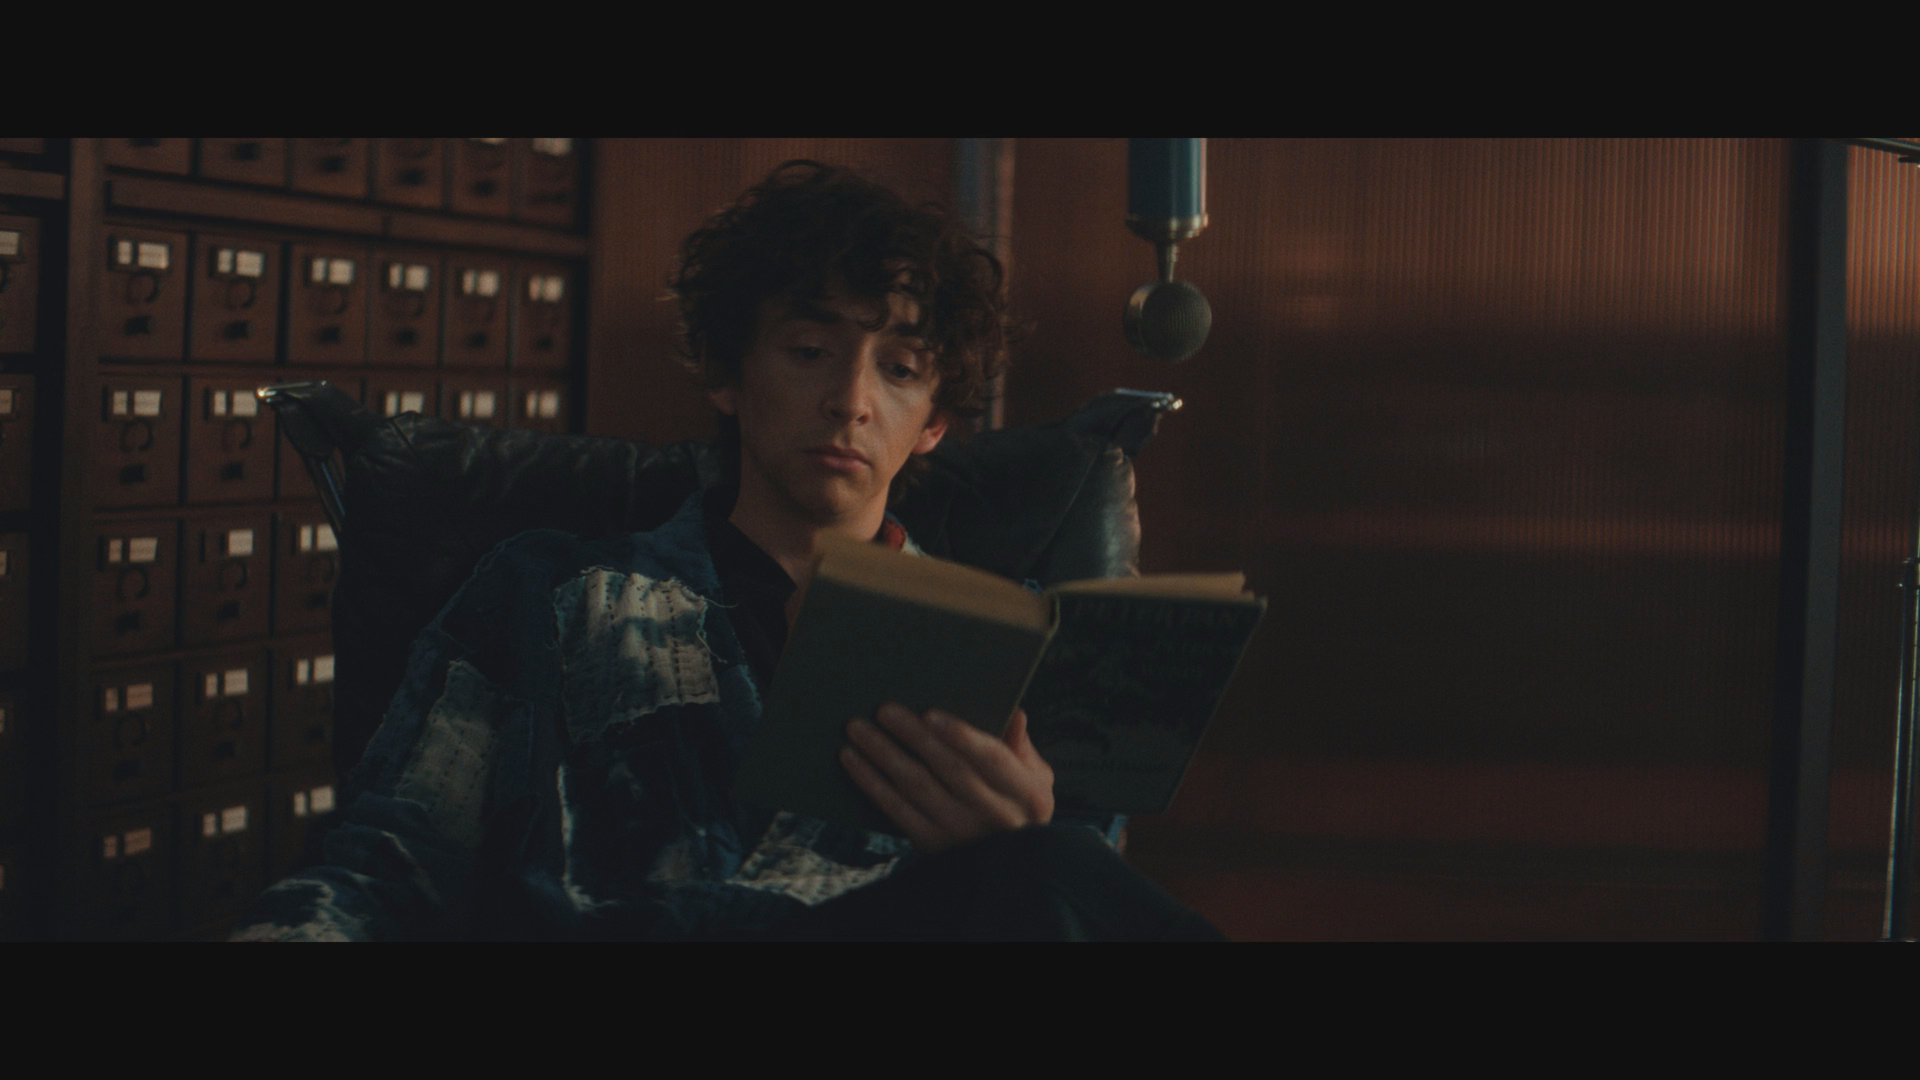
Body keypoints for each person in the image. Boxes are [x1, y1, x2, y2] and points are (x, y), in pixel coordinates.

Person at [232, 161, 1223, 941]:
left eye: (900, 368)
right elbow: (389, 861)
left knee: (1052, 866)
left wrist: (1021, 839)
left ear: (934, 422)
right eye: (809, 351)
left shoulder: (1000, 645)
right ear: (724, 371)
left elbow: (1082, 901)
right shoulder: (550, 595)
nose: (850, 400)